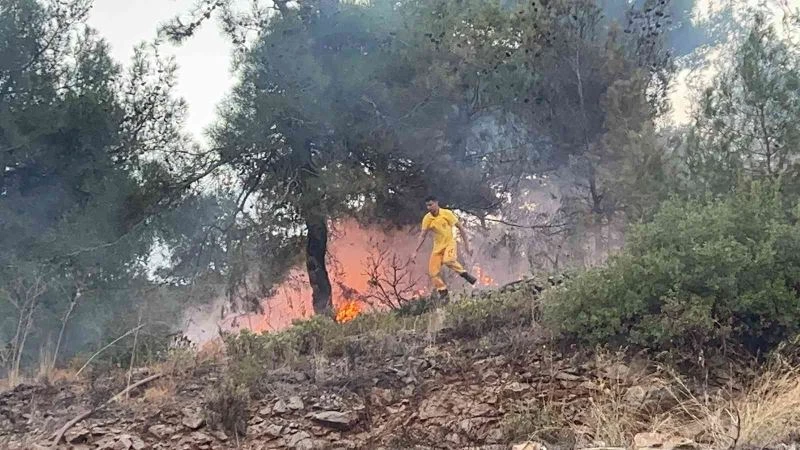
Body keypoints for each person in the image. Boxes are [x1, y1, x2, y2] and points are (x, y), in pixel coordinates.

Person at [413, 195, 477, 300]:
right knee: (433, 272)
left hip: (449, 243)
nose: (429, 208)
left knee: (449, 260)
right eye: (427, 206)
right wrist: (415, 251)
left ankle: (464, 274)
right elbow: (422, 235)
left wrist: (467, 246)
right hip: (437, 248)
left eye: (431, 205)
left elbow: (461, 228)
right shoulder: (427, 218)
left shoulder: (446, 214)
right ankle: (443, 291)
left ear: (436, 203)